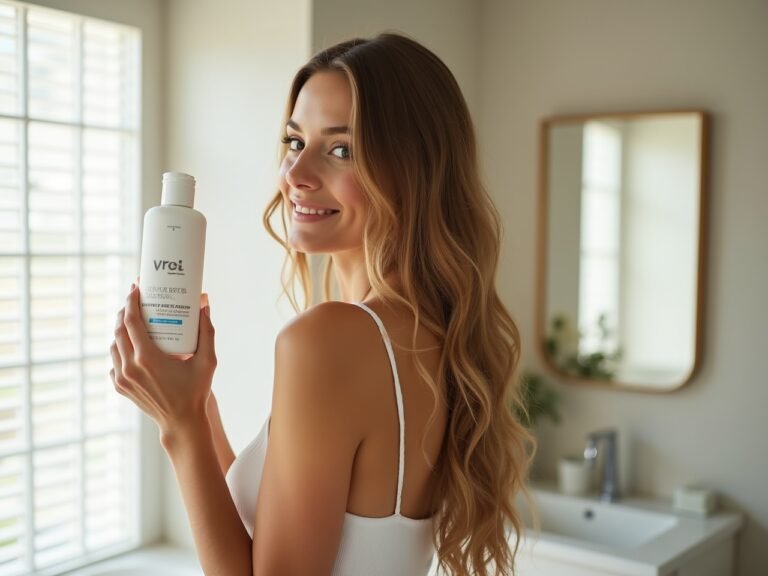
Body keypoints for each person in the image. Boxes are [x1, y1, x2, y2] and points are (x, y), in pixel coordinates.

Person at [110, 32, 535, 576]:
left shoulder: (333, 337)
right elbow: (264, 532)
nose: (295, 175)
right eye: (294, 141)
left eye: (340, 150)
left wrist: (181, 428)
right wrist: (197, 405)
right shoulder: (428, 330)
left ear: (413, 171)